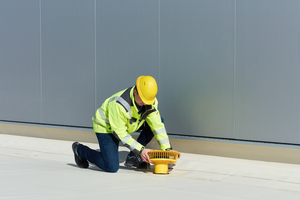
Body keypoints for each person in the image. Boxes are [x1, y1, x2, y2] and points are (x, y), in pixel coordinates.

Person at [72, 75, 177, 172]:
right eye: (143, 99)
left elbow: (157, 125)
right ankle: (79, 150)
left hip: (128, 125)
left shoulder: (149, 100)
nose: (145, 103)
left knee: (159, 121)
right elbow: (120, 133)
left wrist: (168, 150)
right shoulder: (119, 104)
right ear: (135, 91)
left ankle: (133, 157)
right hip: (106, 127)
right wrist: (141, 150)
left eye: (147, 101)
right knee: (111, 167)